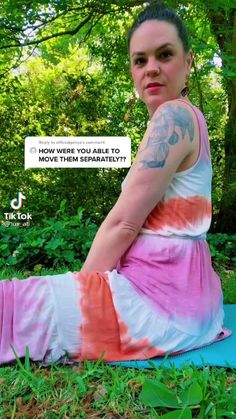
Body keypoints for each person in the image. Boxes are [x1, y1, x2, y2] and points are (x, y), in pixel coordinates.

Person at [0, 2, 231, 366]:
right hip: (194, 306)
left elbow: (123, 224)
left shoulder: (172, 117)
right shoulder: (190, 119)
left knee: (11, 305)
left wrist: (84, 292)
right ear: (132, 70)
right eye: (140, 60)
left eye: (165, 55)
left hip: (160, 305)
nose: (151, 68)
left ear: (188, 63)